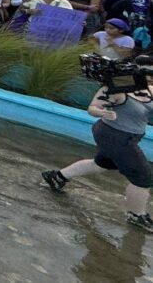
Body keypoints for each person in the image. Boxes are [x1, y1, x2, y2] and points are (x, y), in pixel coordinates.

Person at [42, 58, 153, 233]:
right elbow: (92, 108)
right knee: (143, 176)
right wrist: (102, 112)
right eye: (148, 75)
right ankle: (136, 215)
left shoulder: (149, 90)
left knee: (102, 164)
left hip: (129, 137)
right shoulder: (116, 88)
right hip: (114, 136)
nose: (150, 79)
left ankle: (58, 176)